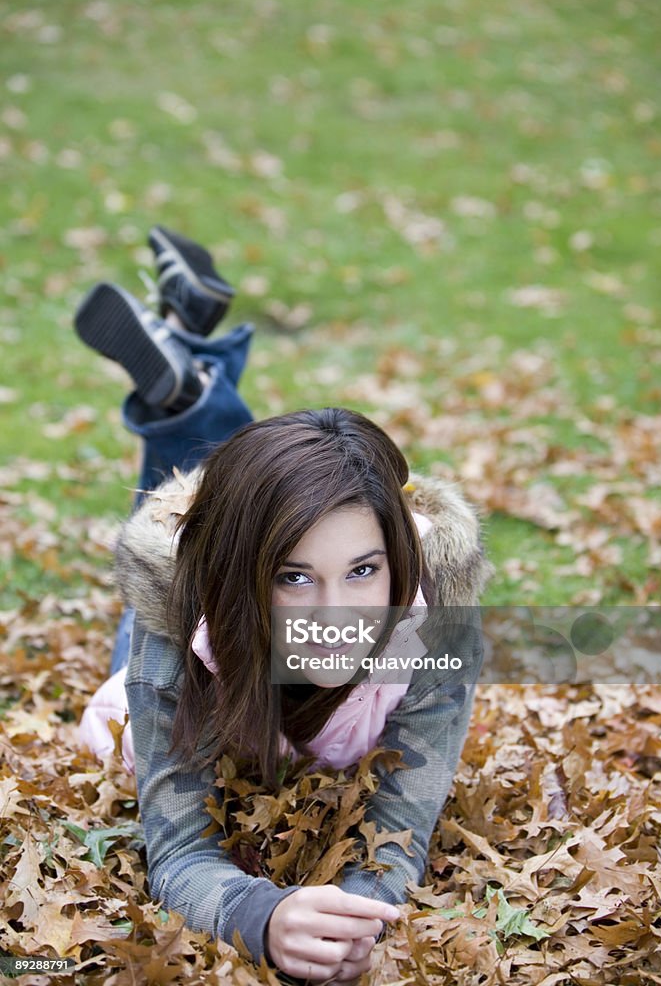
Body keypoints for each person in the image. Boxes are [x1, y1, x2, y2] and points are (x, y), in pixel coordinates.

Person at [76, 228, 491, 984]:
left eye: (363, 570)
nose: (335, 618)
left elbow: (401, 824)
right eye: (294, 578)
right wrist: (257, 914)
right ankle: (189, 389)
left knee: (256, 494)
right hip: (209, 624)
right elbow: (178, 850)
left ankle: (186, 378)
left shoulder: (433, 620)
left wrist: (356, 918)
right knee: (186, 576)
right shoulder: (183, 620)